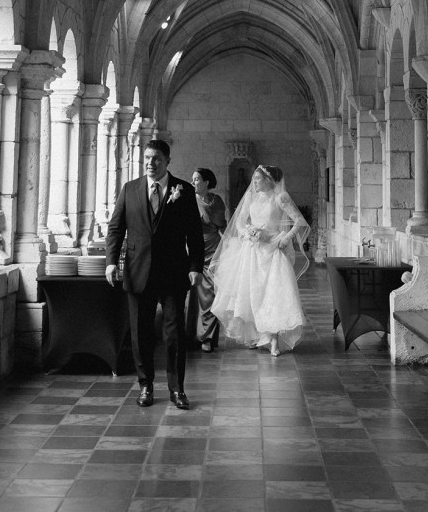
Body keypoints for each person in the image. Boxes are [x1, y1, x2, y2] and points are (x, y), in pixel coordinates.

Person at [105, 139, 204, 409]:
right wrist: (111, 262)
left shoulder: (183, 190)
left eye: (157, 158)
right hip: (138, 271)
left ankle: (177, 389)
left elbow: (194, 233)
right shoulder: (130, 189)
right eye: (148, 157)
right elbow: (116, 228)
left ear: (167, 161)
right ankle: (145, 385)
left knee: (174, 334)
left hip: (174, 272)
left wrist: (195, 266)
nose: (151, 162)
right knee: (140, 333)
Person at [209, 164, 309, 356]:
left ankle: (274, 341)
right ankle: (255, 336)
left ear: (268, 180)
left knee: (272, 294)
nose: (254, 182)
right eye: (254, 179)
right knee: (251, 294)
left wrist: (285, 239)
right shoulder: (250, 197)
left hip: (273, 250)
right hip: (252, 251)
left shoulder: (280, 197)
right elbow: (240, 221)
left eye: (258, 179)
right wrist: (249, 232)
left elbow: (299, 221)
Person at [187, 168, 227, 352]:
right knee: (192, 294)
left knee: (210, 295)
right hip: (193, 248)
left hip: (213, 249)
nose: (193, 182)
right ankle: (189, 335)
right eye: (193, 179)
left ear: (206, 182)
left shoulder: (217, 201)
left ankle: (207, 337)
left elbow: (221, 224)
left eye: (196, 179)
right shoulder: (188, 200)